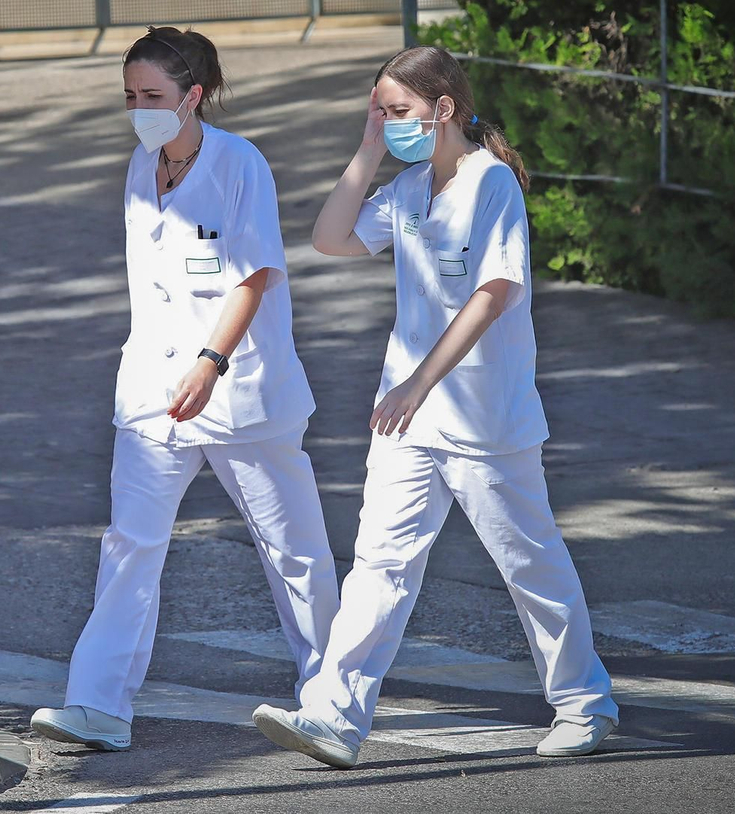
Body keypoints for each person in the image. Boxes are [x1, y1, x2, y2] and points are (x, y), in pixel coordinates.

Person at [252, 46, 619, 766]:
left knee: (530, 564)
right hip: (407, 421)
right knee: (379, 563)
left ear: (443, 108)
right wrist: (367, 149)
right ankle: (333, 715)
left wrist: (419, 381)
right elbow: (330, 238)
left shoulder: (491, 184)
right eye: (380, 112)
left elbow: (493, 292)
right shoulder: (409, 187)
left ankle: (585, 704)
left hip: (484, 417)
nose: (390, 123)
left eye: (399, 112)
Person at [29, 27, 339, 751]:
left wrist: (210, 360)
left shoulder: (239, 163)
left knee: (293, 551)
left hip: (238, 391)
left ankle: (334, 698)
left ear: (192, 95)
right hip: (152, 393)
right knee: (129, 545)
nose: (139, 110)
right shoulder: (142, 165)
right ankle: (97, 704)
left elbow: (254, 274)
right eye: (130, 96)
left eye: (153, 96)